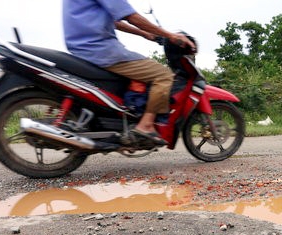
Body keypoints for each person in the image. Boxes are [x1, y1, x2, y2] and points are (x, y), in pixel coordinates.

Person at [62, 0, 195, 147]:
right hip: (102, 50)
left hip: (82, 49)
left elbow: (115, 22)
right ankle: (145, 126)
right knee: (162, 75)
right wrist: (171, 35)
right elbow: (130, 16)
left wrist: (145, 34)